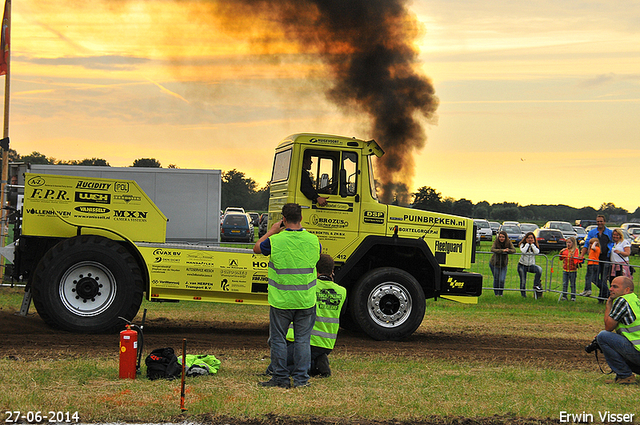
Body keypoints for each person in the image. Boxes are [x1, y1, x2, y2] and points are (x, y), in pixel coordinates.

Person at [253, 203, 320, 388]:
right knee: (302, 341)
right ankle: (301, 380)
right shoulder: (314, 240)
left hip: (281, 301)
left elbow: (257, 248)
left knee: (278, 339)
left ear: (283, 219)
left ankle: (280, 378)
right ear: (301, 218)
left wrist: (272, 231)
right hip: (305, 300)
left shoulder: (276, 240)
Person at [283, 254, 346, 377]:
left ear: (314, 270)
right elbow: (341, 313)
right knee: (298, 362)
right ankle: (318, 360)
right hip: (326, 344)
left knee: (279, 367)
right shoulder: (342, 291)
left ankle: (312, 366)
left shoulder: (308, 287)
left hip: (301, 342)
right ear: (332, 272)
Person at [595, 276, 640, 385]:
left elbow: (608, 327)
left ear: (627, 290)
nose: (611, 289)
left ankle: (625, 376)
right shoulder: (635, 300)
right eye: (611, 286)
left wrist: (608, 305)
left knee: (603, 336)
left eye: (615, 287)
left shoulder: (622, 300)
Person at [581, 215, 613, 301]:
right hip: (594, 259)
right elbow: (586, 244)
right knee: (594, 278)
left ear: (604, 222)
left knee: (603, 278)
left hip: (606, 258)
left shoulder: (609, 232)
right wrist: (582, 255)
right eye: (598, 221)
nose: (599, 223)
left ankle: (602, 298)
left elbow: (613, 243)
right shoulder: (592, 232)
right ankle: (607, 292)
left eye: (601, 221)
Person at [517, 232, 543, 298]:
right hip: (522, 265)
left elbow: (537, 252)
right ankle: (523, 295)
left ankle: (536, 285)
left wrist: (532, 245)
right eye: (528, 238)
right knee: (523, 281)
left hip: (531, 265)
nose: (530, 239)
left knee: (539, 270)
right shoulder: (522, 244)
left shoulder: (534, 245)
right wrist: (527, 244)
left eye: (531, 238)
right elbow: (523, 251)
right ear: (526, 238)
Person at [489, 230, 515, 296]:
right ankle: (496, 294)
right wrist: (502, 250)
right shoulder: (496, 242)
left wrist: (508, 250)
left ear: (505, 237)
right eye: (500, 237)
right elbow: (492, 249)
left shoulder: (508, 242)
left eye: (503, 237)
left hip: (503, 264)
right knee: (496, 279)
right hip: (494, 263)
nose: (501, 238)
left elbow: (514, 250)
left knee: (502, 279)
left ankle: (501, 293)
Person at [559, 237, 581, 301]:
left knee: (572, 284)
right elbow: (561, 258)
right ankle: (564, 296)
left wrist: (575, 260)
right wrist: (561, 253)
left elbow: (575, 259)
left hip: (572, 270)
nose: (568, 244)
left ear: (573, 243)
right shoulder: (565, 250)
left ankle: (573, 296)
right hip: (565, 269)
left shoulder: (575, 250)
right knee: (565, 283)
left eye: (569, 242)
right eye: (567, 242)